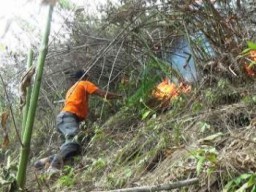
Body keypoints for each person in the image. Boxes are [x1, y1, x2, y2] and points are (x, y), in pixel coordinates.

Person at [34, 69, 122, 173]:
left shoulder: (71, 89)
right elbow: (102, 94)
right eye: (88, 77)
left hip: (63, 119)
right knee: (73, 141)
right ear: (84, 77)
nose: (89, 79)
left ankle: (44, 162)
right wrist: (119, 96)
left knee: (74, 149)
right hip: (68, 117)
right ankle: (53, 168)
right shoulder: (83, 83)